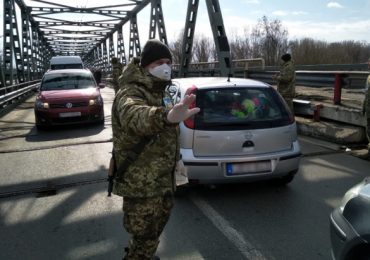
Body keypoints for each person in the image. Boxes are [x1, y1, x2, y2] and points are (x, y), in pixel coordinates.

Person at [111, 39, 200, 260]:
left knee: (152, 234)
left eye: (169, 62)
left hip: (162, 179)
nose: (166, 66)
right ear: (146, 65)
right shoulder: (130, 92)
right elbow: (135, 116)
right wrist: (166, 116)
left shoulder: (162, 91)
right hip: (141, 184)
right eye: (160, 62)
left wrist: (177, 159)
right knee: (145, 235)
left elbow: (167, 134)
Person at [363, 57, 370, 158]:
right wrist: (363, 107)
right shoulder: (369, 77)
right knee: (368, 130)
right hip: (369, 109)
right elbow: (367, 93)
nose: (368, 65)